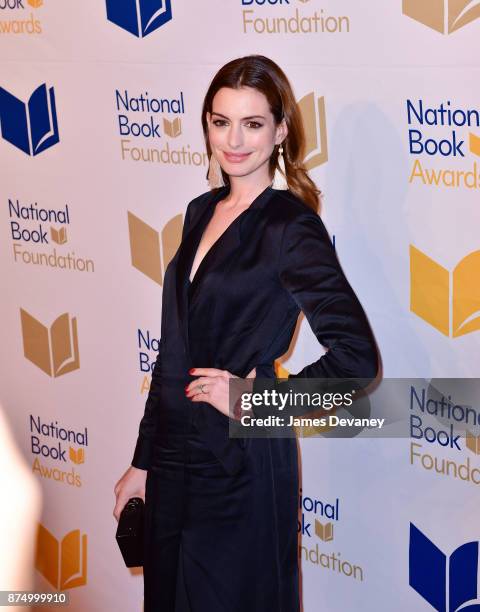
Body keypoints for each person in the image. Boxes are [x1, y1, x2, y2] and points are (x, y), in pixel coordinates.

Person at [114, 54, 378, 612]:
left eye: (252, 124)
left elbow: (356, 361)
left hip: (240, 469)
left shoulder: (291, 227)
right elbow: (172, 349)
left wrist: (259, 402)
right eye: (220, 121)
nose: (233, 140)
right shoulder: (198, 211)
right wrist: (142, 463)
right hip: (172, 464)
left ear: (281, 130)